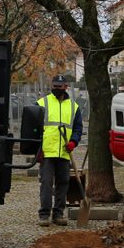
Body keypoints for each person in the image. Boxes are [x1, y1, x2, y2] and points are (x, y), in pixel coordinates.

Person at [35, 75, 83, 227]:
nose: (56, 89)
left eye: (59, 86)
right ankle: (44, 215)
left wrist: (73, 142)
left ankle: (58, 213)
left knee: (63, 183)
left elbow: (77, 128)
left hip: (64, 152)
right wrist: (38, 149)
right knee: (46, 183)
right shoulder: (42, 103)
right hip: (47, 152)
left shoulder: (73, 107)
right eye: (54, 86)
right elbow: (34, 129)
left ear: (66, 87)